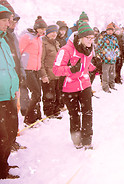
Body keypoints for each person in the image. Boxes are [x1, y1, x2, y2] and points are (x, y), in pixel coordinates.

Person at [53, 21, 96, 149]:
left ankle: (87, 140)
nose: (90, 41)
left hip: (85, 84)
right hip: (70, 87)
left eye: (92, 38)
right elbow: (56, 69)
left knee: (88, 112)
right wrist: (70, 69)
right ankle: (76, 140)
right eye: (87, 38)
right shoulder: (66, 50)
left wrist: (94, 67)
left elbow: (86, 64)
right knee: (75, 115)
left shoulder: (89, 48)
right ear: (80, 38)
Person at [0, 4, 20, 179]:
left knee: (11, 132)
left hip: (9, 95)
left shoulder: (4, 41)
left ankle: (3, 166)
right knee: (2, 135)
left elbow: (10, 67)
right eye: (5, 20)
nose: (9, 23)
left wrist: (15, 87)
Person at [19, 16, 47, 126]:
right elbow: (19, 51)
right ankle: (29, 118)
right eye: (42, 29)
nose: (44, 31)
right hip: (27, 69)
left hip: (36, 69)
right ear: (36, 28)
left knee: (38, 93)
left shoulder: (39, 39)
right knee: (36, 93)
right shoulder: (27, 37)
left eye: (45, 29)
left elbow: (39, 55)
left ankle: (37, 116)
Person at [40, 25, 62, 118]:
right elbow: (41, 60)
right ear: (47, 33)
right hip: (48, 74)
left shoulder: (56, 43)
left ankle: (56, 110)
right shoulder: (43, 44)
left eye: (55, 32)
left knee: (57, 93)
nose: (54, 34)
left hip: (57, 73)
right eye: (52, 32)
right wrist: (44, 75)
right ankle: (49, 113)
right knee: (49, 95)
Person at [95, 22, 119, 93]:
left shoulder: (114, 38)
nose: (110, 31)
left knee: (112, 74)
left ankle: (112, 85)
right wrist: (102, 56)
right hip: (105, 59)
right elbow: (98, 48)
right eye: (109, 30)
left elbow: (117, 47)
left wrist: (116, 55)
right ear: (106, 30)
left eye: (111, 30)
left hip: (113, 59)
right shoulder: (102, 37)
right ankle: (105, 87)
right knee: (105, 74)